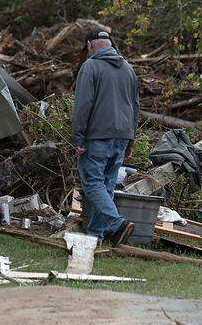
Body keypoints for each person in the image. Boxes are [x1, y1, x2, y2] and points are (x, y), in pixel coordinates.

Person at [72, 28, 140, 243]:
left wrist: (78, 137)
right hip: (122, 135)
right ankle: (94, 235)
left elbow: (83, 105)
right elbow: (135, 107)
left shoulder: (90, 66)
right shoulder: (128, 69)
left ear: (90, 45)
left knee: (92, 183)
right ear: (110, 44)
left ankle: (117, 224)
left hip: (97, 136)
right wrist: (130, 140)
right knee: (106, 186)